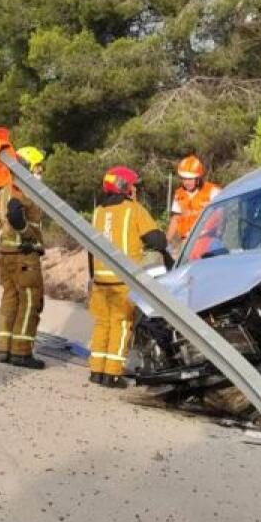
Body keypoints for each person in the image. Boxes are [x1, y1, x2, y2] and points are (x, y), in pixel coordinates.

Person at [87, 166, 173, 389]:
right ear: (123, 186)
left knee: (102, 323)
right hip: (122, 279)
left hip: (100, 279)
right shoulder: (133, 210)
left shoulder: (98, 211)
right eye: (132, 185)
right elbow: (157, 241)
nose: (134, 189)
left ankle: (97, 370)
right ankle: (113, 374)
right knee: (122, 325)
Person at [0, 146, 47, 369]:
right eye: (39, 167)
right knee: (29, 303)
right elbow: (15, 213)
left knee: (9, 302)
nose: (41, 171)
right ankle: (21, 352)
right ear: (29, 166)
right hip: (24, 254)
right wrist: (29, 235)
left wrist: (2, 232)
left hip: (6, 254)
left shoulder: (4, 188)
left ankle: (4, 349)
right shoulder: (24, 188)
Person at [167, 155, 221, 248]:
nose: (186, 182)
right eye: (184, 179)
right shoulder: (179, 194)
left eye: (190, 179)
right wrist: (166, 240)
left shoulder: (213, 191)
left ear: (198, 178)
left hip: (209, 239)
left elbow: (222, 215)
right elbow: (176, 219)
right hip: (187, 241)